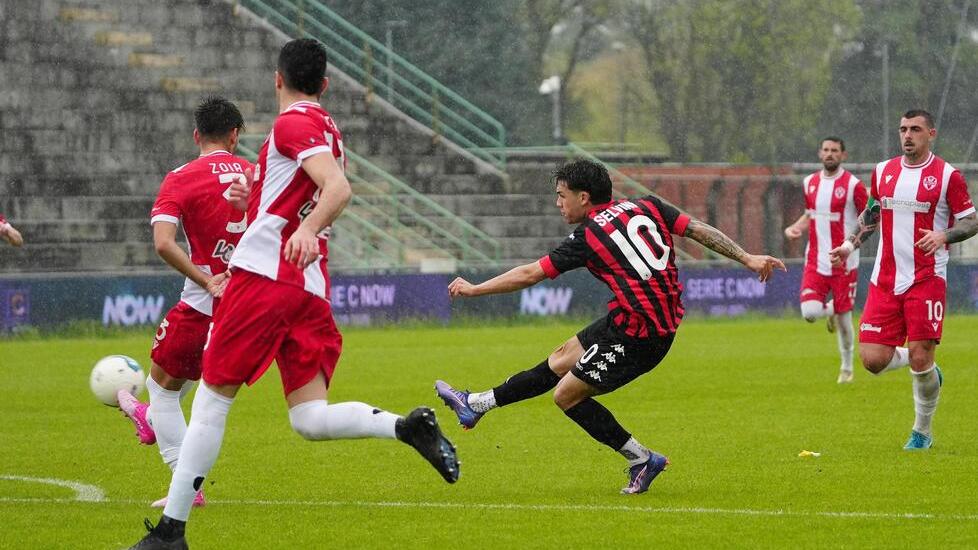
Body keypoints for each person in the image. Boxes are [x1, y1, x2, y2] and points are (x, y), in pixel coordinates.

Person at [129, 38, 459, 550]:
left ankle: (171, 532)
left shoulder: (292, 122)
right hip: (309, 291)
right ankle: (405, 427)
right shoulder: (325, 126)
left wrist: (307, 229)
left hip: (264, 279)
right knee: (309, 418)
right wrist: (251, 194)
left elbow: (337, 188)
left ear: (277, 79)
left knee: (212, 403)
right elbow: (297, 189)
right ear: (325, 84)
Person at [436, 158, 785, 495]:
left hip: (641, 336)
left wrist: (475, 289)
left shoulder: (588, 236)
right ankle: (476, 405)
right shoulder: (646, 205)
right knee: (560, 360)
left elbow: (530, 274)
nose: (558, 203)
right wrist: (747, 257)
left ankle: (643, 459)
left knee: (566, 395)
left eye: (562, 194)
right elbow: (697, 230)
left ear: (583, 197)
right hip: (632, 319)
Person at [116, 97, 252, 509]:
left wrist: (207, 279)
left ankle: (184, 485)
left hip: (203, 304)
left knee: (161, 388)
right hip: (249, 307)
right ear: (234, 136)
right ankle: (151, 420)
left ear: (196, 135)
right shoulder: (254, 174)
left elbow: (162, 242)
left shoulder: (181, 177)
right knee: (183, 382)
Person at [829, 109, 977, 450]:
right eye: (902, 129)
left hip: (926, 278)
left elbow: (971, 222)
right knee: (872, 361)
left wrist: (943, 236)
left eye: (915, 129)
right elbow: (872, 212)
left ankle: (921, 432)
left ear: (931, 134)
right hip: (885, 278)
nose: (907, 135)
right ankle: (921, 363)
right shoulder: (883, 171)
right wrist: (850, 244)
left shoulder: (947, 176)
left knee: (922, 358)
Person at [783, 137, 868, 383]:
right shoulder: (809, 182)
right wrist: (794, 227)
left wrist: (851, 246)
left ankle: (847, 367)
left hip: (844, 262)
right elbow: (811, 214)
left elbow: (868, 219)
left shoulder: (853, 185)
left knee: (844, 320)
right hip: (816, 259)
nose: (830, 154)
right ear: (820, 153)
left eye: (835, 151)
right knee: (809, 313)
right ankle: (830, 309)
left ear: (843, 155)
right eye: (826, 150)